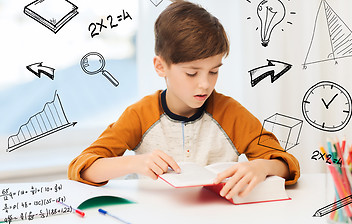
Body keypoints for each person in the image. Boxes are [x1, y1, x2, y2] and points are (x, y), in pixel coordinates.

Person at [68, 0, 300, 200]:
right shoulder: (140, 115)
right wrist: (132, 164)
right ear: (161, 67)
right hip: (153, 223)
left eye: (213, 71)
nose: (205, 84)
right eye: (192, 73)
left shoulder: (231, 113)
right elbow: (82, 167)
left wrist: (262, 166)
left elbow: (287, 165)